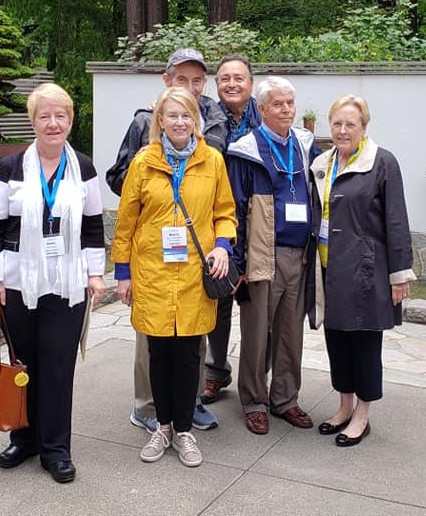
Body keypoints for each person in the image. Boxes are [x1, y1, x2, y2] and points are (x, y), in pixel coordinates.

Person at [0, 83, 107, 483]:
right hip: (18, 282)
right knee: (23, 363)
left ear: (70, 120)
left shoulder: (83, 167)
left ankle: (55, 449)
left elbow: (93, 226)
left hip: (67, 284)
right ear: (32, 121)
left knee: (57, 366)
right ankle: (24, 438)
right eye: (44, 116)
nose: (53, 123)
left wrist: (95, 273)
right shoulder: (11, 167)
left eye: (60, 116)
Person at [111, 86, 237, 467]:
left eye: (186, 115)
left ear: (196, 121)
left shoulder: (212, 161)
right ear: (160, 121)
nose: (180, 122)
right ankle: (161, 426)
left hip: (194, 274)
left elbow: (225, 212)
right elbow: (126, 221)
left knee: (188, 355)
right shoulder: (144, 162)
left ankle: (183, 430)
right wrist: (123, 272)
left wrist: (223, 246)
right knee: (159, 353)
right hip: (152, 271)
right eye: (173, 115)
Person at [308, 94, 416, 447]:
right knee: (337, 341)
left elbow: (396, 219)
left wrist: (399, 274)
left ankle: (362, 415)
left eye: (350, 124)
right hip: (328, 268)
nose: (342, 130)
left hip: (365, 269)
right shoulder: (323, 163)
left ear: (364, 127)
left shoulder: (382, 162)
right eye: (337, 123)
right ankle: (344, 406)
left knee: (365, 344)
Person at [226, 76, 322, 435]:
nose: (286, 110)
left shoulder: (305, 145)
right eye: (278, 104)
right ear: (262, 109)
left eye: (290, 103)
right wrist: (238, 262)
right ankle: (254, 401)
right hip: (263, 252)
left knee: (290, 332)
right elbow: (235, 208)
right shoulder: (246, 150)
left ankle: (284, 398)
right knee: (256, 333)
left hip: (301, 253)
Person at [201, 54, 262, 405]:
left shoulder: (263, 115)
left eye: (239, 78)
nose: (232, 84)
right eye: (224, 78)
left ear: (251, 83)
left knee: (257, 303)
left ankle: (257, 380)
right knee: (219, 296)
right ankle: (215, 371)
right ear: (216, 84)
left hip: (258, 219)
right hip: (219, 218)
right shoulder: (207, 116)